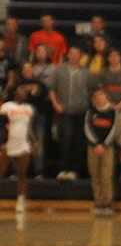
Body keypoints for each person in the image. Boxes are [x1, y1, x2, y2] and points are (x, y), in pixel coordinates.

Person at [49, 46, 94, 180]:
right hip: (65, 112)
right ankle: (64, 169)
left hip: (81, 112)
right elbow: (52, 89)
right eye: (71, 53)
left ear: (81, 56)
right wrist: (56, 104)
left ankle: (74, 170)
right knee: (66, 139)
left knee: (78, 142)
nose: (73, 55)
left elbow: (93, 92)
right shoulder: (59, 70)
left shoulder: (87, 73)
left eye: (76, 53)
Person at [97, 48, 121, 178]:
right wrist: (109, 105)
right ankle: (108, 171)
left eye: (116, 55)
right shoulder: (103, 73)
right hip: (106, 112)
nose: (113, 58)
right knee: (107, 142)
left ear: (120, 57)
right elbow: (100, 92)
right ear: (108, 59)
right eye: (111, 56)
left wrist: (119, 106)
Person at [0, 85, 39, 213]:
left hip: (24, 143)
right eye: (21, 90)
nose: (24, 92)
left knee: (22, 172)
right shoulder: (7, 106)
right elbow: (1, 125)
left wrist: (36, 141)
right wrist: (2, 143)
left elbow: (30, 127)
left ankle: (21, 200)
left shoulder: (29, 108)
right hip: (9, 142)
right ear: (15, 92)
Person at [85, 88, 120, 217]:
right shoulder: (90, 112)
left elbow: (114, 130)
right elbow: (87, 129)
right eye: (95, 96)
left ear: (106, 96)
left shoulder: (113, 112)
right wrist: (96, 144)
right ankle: (98, 202)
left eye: (101, 95)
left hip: (108, 148)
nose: (98, 98)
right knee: (95, 174)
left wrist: (104, 144)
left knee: (106, 175)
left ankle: (108, 203)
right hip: (93, 148)